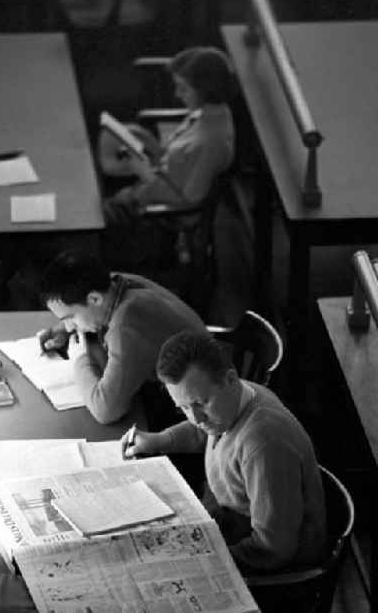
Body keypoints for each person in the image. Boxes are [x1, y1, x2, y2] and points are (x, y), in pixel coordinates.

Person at [122, 330, 326, 573]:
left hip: (272, 569)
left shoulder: (265, 444)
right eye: (184, 408)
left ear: (230, 380)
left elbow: (273, 548)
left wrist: (203, 564)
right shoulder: (236, 398)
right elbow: (205, 430)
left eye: (200, 403)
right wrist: (159, 440)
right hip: (228, 520)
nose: (195, 418)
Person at [99, 46, 235, 268]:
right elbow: (178, 156)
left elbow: (189, 200)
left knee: (93, 224)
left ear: (205, 90)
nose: (177, 94)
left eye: (184, 89)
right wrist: (146, 139)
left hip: (159, 213)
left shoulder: (212, 141)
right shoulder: (209, 114)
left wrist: (143, 172)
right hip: (152, 186)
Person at [37, 249, 206, 426]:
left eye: (70, 318)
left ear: (94, 299)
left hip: (193, 410)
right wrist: (63, 328)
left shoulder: (127, 325)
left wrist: (80, 359)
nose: (70, 326)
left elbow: (106, 410)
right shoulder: (113, 284)